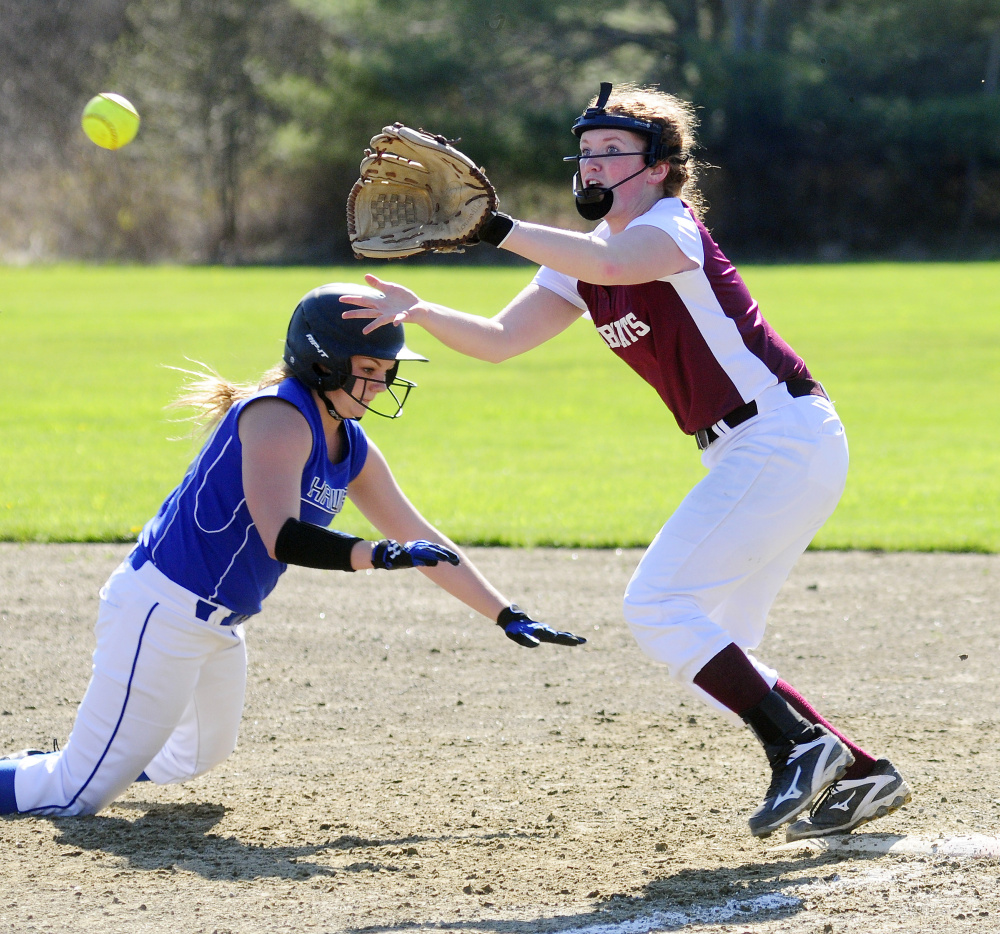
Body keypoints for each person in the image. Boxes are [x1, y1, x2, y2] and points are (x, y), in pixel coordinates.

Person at [339, 83, 911, 842]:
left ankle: (801, 747)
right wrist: (420, 311)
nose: (593, 164)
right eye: (586, 152)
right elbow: (501, 338)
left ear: (663, 166)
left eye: (613, 151)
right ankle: (862, 770)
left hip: (782, 438)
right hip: (755, 452)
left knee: (655, 606)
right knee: (718, 656)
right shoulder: (584, 261)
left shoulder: (669, 230)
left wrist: (500, 227)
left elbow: (614, 266)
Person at [0, 283, 585, 818]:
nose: (382, 384)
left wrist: (505, 613)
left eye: (387, 370)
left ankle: (101, 752)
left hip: (219, 624)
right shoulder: (277, 414)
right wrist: (378, 555)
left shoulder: (350, 441)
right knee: (76, 795)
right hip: (163, 609)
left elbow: (422, 536)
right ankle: (80, 764)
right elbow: (282, 534)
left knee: (194, 756)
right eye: (370, 369)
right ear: (322, 360)